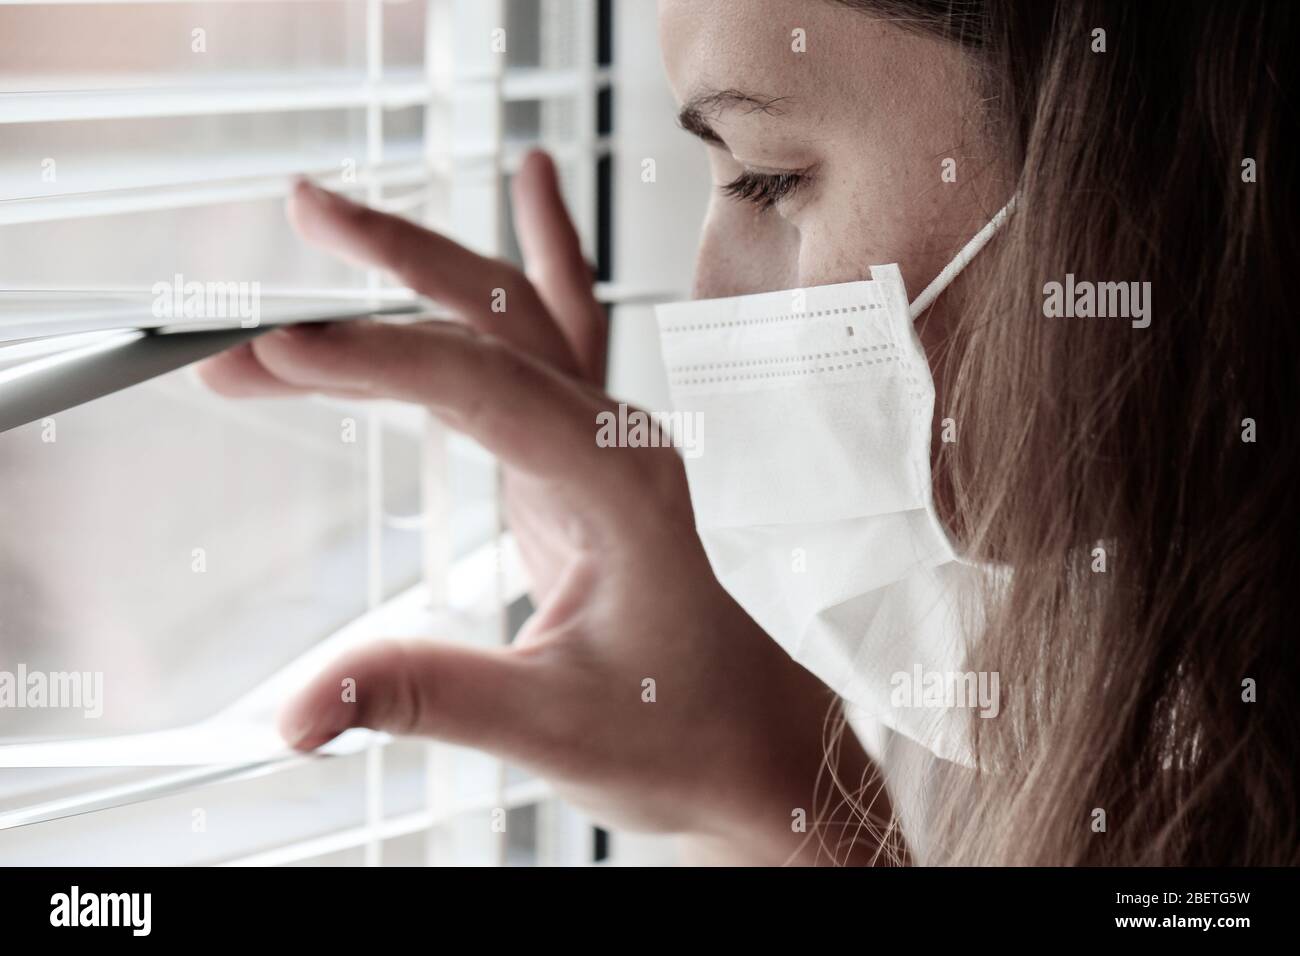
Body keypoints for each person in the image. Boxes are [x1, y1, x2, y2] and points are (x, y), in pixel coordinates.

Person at [198, 0, 1298, 865]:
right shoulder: (1090, 668)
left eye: (766, 177)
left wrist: (776, 803)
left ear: (1129, 146)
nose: (710, 306)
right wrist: (746, 779)